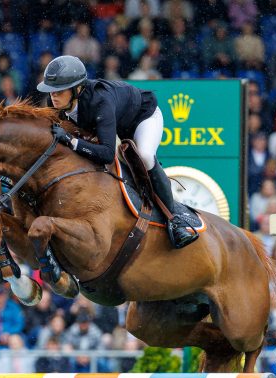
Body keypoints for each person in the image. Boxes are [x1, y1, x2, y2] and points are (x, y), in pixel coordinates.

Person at [36, 55, 198, 249]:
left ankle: (175, 220)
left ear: (77, 89)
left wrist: (71, 141)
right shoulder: (55, 105)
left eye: (59, 91)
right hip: (113, 124)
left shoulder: (100, 102)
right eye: (51, 90)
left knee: (145, 156)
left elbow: (105, 153)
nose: (53, 95)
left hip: (142, 118)